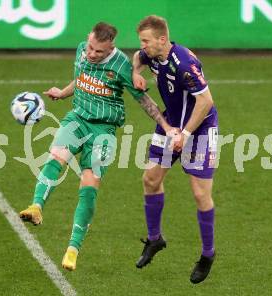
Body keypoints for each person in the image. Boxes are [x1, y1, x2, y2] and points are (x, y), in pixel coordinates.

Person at [19, 22, 177, 271]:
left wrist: (166, 127)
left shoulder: (122, 66)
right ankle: (36, 206)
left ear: (111, 47)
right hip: (77, 118)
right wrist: (62, 93)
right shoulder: (82, 49)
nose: (91, 54)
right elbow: (80, 80)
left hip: (103, 130)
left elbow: (143, 100)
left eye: (98, 52)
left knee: (89, 184)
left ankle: (73, 248)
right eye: (90, 48)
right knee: (55, 158)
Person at [132, 15, 219, 284]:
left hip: (199, 128)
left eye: (146, 41)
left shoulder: (184, 64)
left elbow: (205, 102)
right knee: (150, 179)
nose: (142, 46)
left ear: (161, 39)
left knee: (200, 194)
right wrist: (135, 72)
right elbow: (137, 57)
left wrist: (186, 133)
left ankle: (208, 254)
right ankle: (155, 239)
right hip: (171, 124)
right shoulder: (152, 54)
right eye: (141, 42)